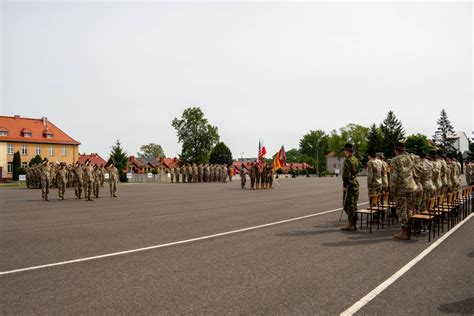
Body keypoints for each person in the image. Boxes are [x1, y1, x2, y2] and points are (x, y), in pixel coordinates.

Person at [390, 142, 416, 240]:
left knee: (401, 210)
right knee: (409, 209)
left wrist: (392, 190)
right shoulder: (409, 158)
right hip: (411, 185)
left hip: (401, 188)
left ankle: (404, 232)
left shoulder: (395, 160)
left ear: (396, 150)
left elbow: (394, 176)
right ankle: (409, 228)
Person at [341, 143, 359, 231]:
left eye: (344, 150)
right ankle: (354, 221)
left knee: (347, 204)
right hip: (355, 183)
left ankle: (351, 223)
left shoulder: (348, 160)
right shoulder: (355, 159)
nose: (344, 152)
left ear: (347, 151)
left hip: (349, 184)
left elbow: (346, 174)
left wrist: (345, 185)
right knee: (354, 204)